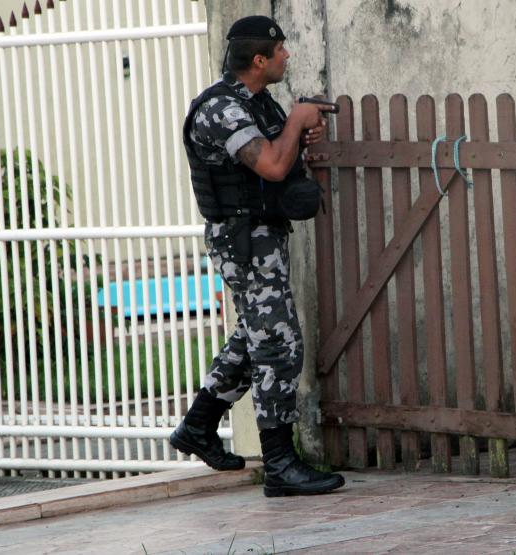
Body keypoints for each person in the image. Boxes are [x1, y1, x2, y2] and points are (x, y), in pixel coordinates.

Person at [170, 15, 344, 498]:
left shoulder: (256, 101)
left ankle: (198, 427)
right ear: (260, 59)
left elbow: (275, 155)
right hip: (243, 242)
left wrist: (298, 135)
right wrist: (296, 122)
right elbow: (270, 164)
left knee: (255, 338)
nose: (287, 55)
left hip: (262, 236)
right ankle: (281, 464)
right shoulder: (220, 110)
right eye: (281, 49)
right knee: (279, 346)